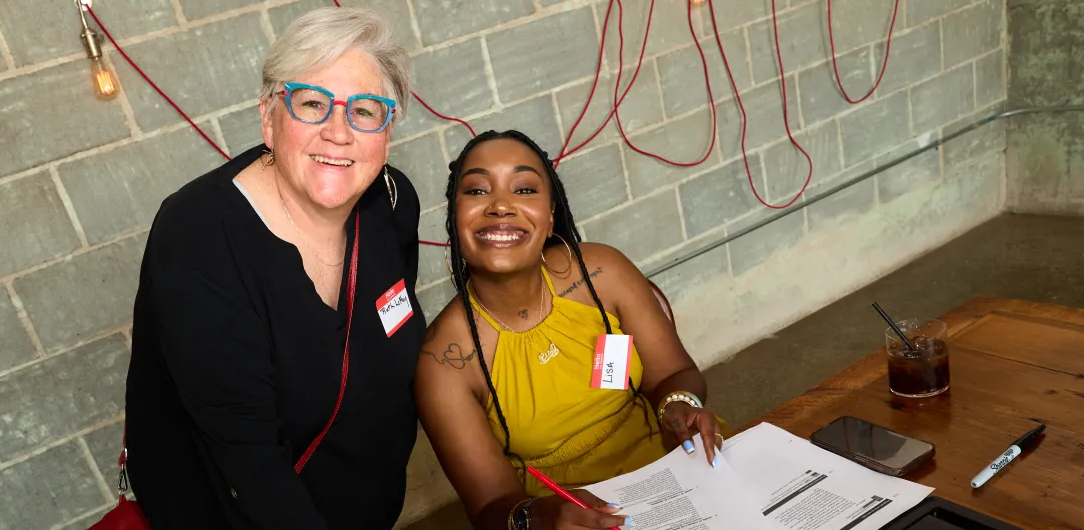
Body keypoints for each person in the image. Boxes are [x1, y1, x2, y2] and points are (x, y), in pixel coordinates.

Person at [123, 7, 424, 529]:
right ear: (269, 117)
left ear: (387, 129)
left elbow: (385, 346)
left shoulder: (392, 203)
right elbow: (248, 463)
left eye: (365, 110)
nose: (338, 132)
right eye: (312, 104)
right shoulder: (199, 238)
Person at [415, 130, 725, 530]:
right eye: (477, 191)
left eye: (524, 189)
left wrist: (679, 405)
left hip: (674, 468)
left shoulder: (603, 274)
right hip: (561, 514)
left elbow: (673, 374)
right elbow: (491, 507)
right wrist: (540, 515)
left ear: (549, 216)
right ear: (454, 220)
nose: (501, 206)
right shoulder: (443, 361)